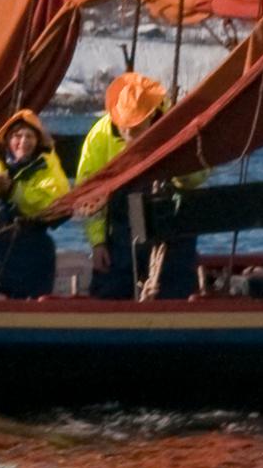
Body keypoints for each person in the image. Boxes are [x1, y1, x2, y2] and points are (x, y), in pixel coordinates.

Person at [77, 72, 200, 300]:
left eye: (135, 128)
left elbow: (197, 177)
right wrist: (97, 242)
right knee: (110, 290)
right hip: (121, 228)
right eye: (124, 128)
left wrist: (175, 167)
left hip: (173, 225)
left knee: (176, 289)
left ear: (151, 116)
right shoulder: (99, 138)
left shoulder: (176, 127)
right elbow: (88, 196)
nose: (128, 135)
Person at [0, 111, 73, 300]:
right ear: (7, 139)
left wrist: (12, 190)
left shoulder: (47, 166)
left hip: (32, 246)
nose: (23, 141)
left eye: (29, 136)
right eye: (17, 135)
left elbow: (54, 203)